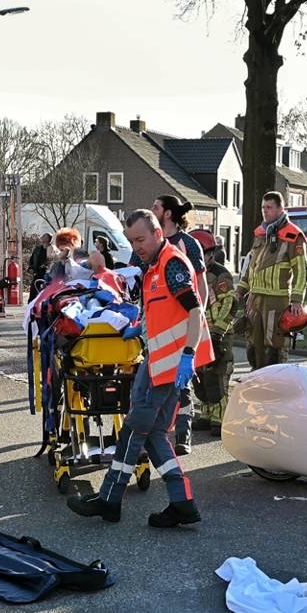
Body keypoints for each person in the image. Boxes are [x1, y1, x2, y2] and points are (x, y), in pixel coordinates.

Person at [68, 209, 210, 527]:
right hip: (158, 362)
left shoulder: (171, 263)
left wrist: (188, 353)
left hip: (169, 366)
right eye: (132, 241)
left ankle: (109, 499)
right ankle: (182, 503)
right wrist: (141, 327)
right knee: (154, 435)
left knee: (134, 429)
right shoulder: (152, 268)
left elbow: (194, 309)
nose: (137, 246)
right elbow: (163, 313)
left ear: (158, 233)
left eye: (141, 239)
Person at [152, 195, 208, 452]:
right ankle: (152, 434)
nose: (151, 210)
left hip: (181, 325)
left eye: (156, 207)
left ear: (167, 213)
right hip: (153, 328)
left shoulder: (188, 244)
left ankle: (183, 435)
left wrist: (198, 318)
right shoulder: (149, 243)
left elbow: (201, 286)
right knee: (151, 381)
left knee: (181, 382)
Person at [235, 191, 307, 371]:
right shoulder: (260, 233)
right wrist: (239, 292)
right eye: (263, 207)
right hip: (255, 299)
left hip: (277, 300)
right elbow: (250, 267)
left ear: (280, 209)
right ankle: (256, 384)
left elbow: (302, 271)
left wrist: (297, 300)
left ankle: (275, 389)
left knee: (274, 347)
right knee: (253, 345)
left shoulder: (293, 235)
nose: (265, 211)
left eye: (269, 207)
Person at [197, 248, 240, 429]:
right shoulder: (194, 272)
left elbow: (230, 304)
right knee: (200, 373)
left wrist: (216, 333)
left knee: (218, 373)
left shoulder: (221, 275)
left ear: (210, 255)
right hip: (199, 331)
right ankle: (206, 413)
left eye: (202, 254)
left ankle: (220, 417)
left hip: (218, 333)